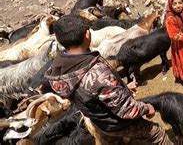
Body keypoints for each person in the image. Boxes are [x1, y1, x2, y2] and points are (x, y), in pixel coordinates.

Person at [45, 14, 172, 144]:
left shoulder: (58, 69)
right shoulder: (97, 73)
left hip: (99, 121)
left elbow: (87, 91)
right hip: (117, 122)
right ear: (87, 34)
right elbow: (127, 110)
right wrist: (147, 108)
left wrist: (118, 88)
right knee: (157, 133)